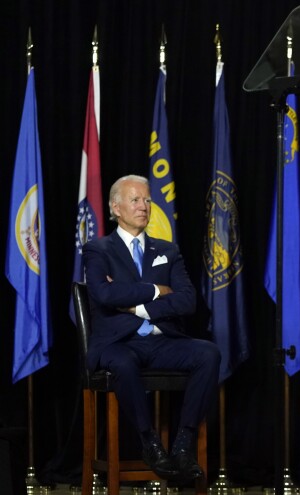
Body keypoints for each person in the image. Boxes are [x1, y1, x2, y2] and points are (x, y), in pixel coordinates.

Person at [82, 174, 220, 482]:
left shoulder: (167, 250)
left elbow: (187, 301)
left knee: (208, 354)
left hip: (162, 341)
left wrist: (135, 305)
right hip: (118, 344)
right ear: (115, 208)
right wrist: (157, 290)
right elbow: (104, 295)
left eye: (147, 200)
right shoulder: (98, 249)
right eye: (135, 200)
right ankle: (150, 443)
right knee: (124, 363)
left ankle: (183, 446)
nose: (143, 206)